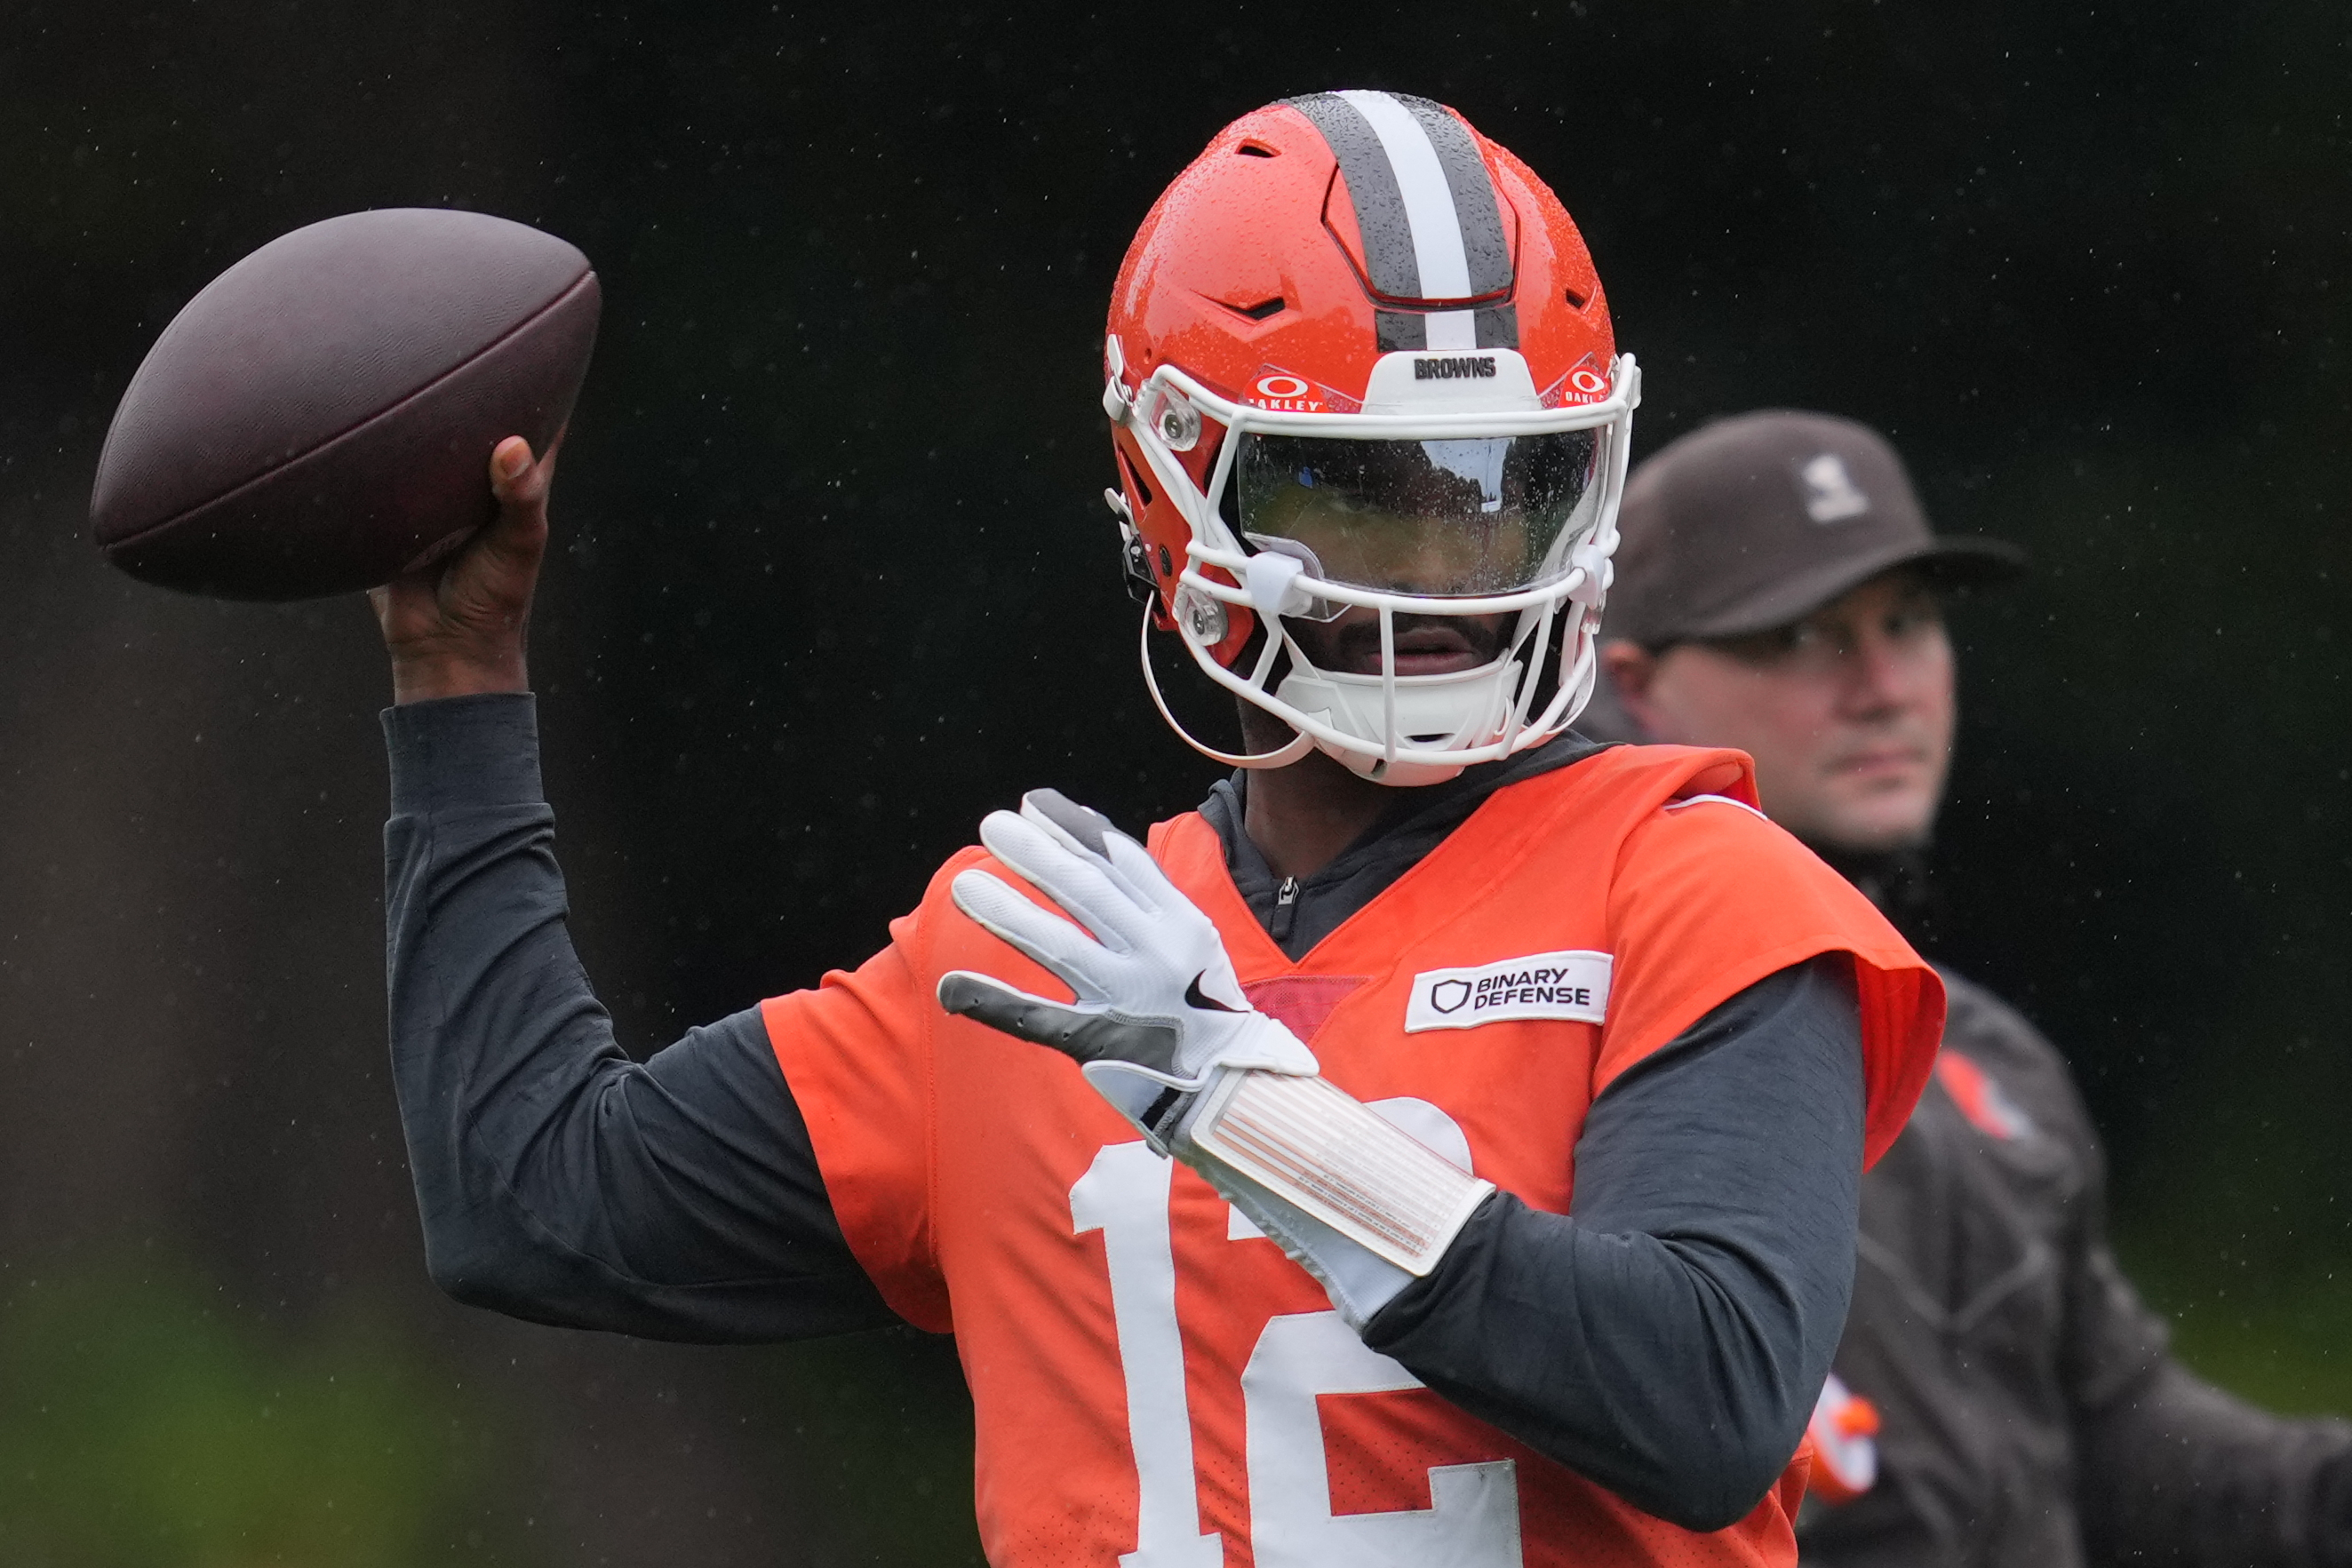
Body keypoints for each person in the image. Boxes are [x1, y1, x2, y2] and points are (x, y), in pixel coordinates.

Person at [371, 98, 1946, 1565]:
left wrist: (1249, 1112)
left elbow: (1710, 1398)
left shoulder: (1698, 888)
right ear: (1177, 485)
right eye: (1361, 492)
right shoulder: (1040, 947)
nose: (1448, 574)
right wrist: (458, 687)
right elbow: (534, 1196)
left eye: (1502, 489)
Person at [1593, 409, 2352, 1568]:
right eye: (1801, 635)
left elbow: (2112, 1434)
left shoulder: (1988, 1057)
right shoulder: (1565, 1024)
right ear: (1635, 687)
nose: (1883, 684)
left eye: (1908, 621)